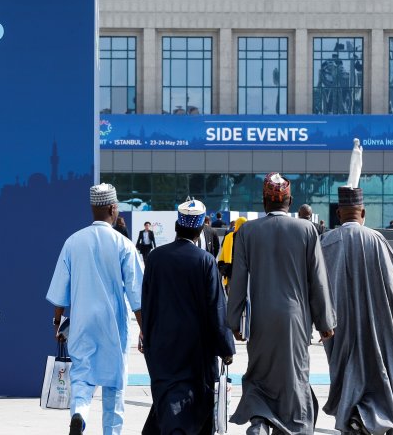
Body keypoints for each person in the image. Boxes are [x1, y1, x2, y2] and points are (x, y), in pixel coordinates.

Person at [227, 172, 336, 435]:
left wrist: (233, 322)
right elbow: (317, 281)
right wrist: (325, 322)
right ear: (290, 201)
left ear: (265, 202)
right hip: (294, 319)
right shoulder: (307, 229)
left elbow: (237, 280)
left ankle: (260, 422)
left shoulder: (247, 232)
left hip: (260, 320)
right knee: (293, 376)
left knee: (260, 373)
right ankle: (293, 427)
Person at [320, 186, 393, 435]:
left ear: (338, 215)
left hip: (341, 343)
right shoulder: (378, 241)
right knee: (389, 401)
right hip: (382, 345)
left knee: (349, 396)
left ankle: (356, 419)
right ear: (363, 212)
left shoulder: (326, 243)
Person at [46, 183, 144, 435]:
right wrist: (145, 330)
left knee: (81, 377)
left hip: (81, 323)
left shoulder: (73, 242)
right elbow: (137, 295)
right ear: (113, 208)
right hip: (113, 325)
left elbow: (60, 291)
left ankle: (79, 413)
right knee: (114, 385)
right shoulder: (123, 245)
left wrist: (57, 323)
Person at [140, 198, 236, 435]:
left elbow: (147, 302)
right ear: (201, 227)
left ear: (176, 226)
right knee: (192, 405)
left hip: (163, 346)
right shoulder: (205, 261)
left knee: (167, 398)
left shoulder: (155, 258)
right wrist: (226, 348)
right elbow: (217, 309)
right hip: (195, 350)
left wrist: (146, 336)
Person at [218, 217, 247, 288]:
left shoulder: (229, 236)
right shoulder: (247, 237)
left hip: (230, 268)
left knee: (230, 290)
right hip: (242, 269)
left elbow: (223, 250)